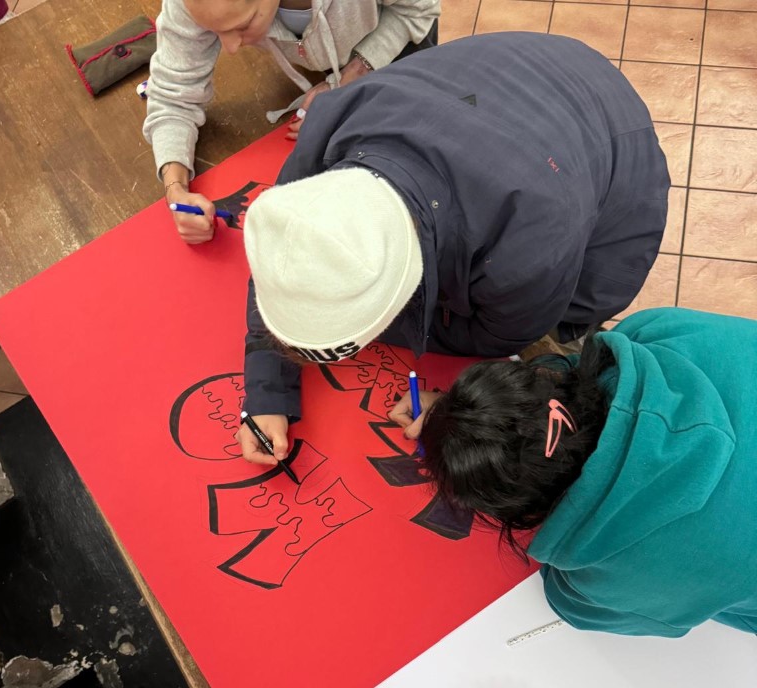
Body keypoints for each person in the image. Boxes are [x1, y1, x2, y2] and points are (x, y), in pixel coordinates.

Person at [237, 31, 670, 469]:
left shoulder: (528, 250)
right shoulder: (327, 128)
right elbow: (286, 257)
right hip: (485, 81)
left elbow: (499, 337)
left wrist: (463, 405)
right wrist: (266, 388)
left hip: (604, 124)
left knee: (569, 321)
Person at [407, 306, 757, 638]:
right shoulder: (656, 331)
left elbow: (572, 605)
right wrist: (462, 418)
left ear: (521, 511)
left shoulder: (616, 574)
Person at [145, 0, 439, 243]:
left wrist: (355, 72)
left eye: (243, 25)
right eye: (215, 30)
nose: (231, 48)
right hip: (331, 59)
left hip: (401, 40)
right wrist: (176, 188)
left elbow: (419, 10)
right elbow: (172, 94)